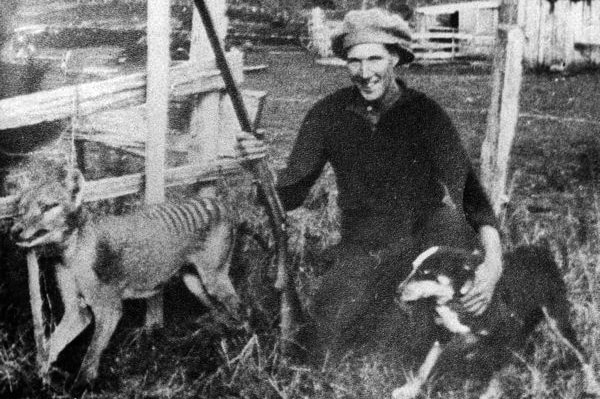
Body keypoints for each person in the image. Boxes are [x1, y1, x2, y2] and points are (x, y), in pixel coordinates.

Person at [240, 8, 503, 362]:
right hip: (363, 246)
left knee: (416, 339)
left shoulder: (426, 114)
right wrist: (256, 167)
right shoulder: (327, 115)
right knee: (319, 348)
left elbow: (468, 193)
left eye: (375, 58)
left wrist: (495, 260)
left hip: (425, 238)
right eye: (354, 61)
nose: (365, 73)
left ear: (395, 57)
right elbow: (289, 194)